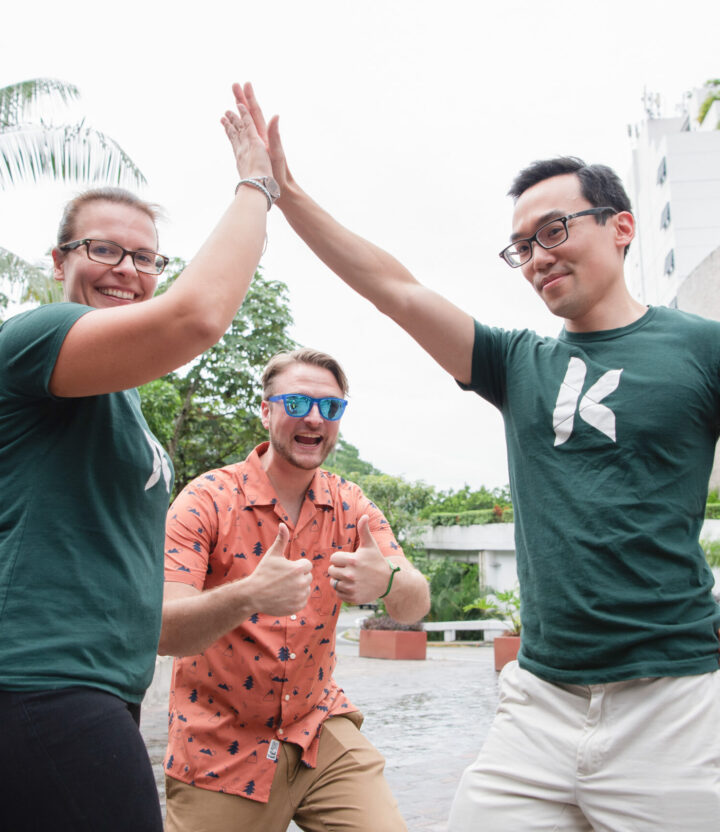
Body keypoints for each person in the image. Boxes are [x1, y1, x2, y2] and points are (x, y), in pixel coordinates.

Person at [236, 82, 720, 831]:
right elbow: (394, 289)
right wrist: (285, 193)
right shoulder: (514, 362)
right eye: (522, 246)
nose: (536, 257)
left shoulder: (700, 349)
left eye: (554, 230)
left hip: (674, 705)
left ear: (622, 226)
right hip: (540, 703)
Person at [0, 88, 279, 831]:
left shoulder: (122, 408)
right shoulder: (40, 340)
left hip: (103, 692)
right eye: (103, 249)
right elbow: (197, 317)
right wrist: (258, 185)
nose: (126, 268)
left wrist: (249, 593)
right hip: (42, 683)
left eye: (146, 257)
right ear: (58, 259)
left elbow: (157, 623)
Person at [159, 347, 430, 832]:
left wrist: (388, 580)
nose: (314, 419)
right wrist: (247, 595)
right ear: (266, 411)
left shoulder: (351, 506)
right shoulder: (206, 501)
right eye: (297, 403)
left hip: (317, 728)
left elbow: (416, 603)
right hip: (220, 746)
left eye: (330, 407)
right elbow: (162, 630)